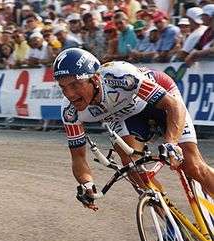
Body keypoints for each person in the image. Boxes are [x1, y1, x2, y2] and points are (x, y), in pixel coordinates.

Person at [53, 48, 214, 210]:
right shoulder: (69, 111)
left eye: (75, 85)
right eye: (63, 87)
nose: (70, 94)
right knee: (132, 169)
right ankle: (171, 222)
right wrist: (87, 184)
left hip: (158, 100)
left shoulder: (120, 76)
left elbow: (172, 105)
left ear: (94, 79)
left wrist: (171, 143)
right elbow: (78, 158)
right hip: (124, 116)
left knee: (192, 165)